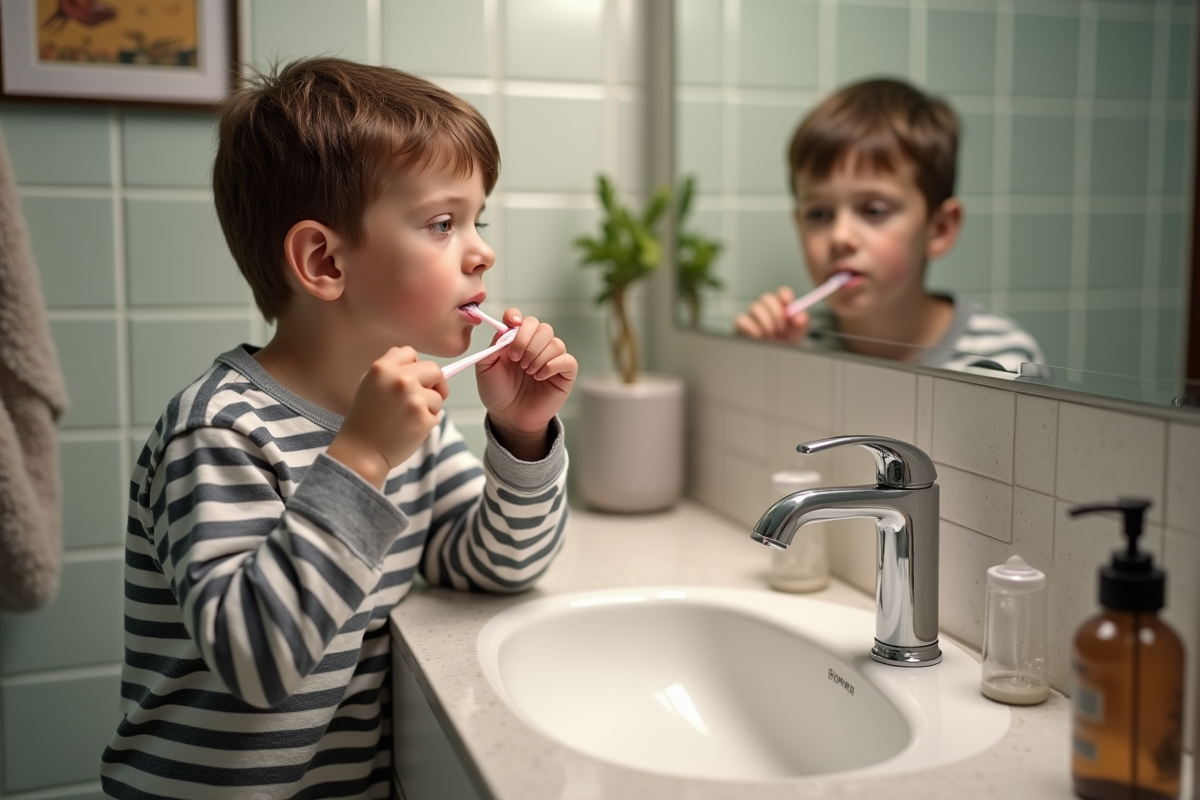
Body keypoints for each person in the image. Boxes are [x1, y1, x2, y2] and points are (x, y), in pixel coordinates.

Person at [100, 58, 576, 800]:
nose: (483, 249)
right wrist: (361, 457)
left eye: (480, 219)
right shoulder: (221, 432)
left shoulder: (406, 420)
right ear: (324, 260)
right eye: (443, 223)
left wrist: (519, 436)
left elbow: (497, 567)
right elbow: (259, 663)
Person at [735, 77, 1043, 374]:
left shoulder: (1005, 360)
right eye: (818, 215)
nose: (840, 237)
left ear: (939, 230)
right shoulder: (796, 347)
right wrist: (764, 369)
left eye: (873, 210)